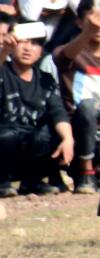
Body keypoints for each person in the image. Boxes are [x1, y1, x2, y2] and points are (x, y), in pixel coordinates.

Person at [52, 0, 100, 193]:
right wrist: (87, 33)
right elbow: (64, 56)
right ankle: (86, 174)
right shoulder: (70, 51)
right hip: (76, 131)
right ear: (79, 22)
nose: (99, 25)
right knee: (88, 105)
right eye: (93, 19)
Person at [0, 22, 73, 197]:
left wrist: (68, 138)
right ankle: (2, 181)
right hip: (5, 143)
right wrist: (4, 51)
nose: (28, 48)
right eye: (23, 42)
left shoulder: (45, 80)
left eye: (35, 43)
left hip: (32, 146)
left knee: (56, 132)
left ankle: (32, 182)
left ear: (41, 50)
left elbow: (58, 111)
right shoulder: (3, 71)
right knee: (8, 136)